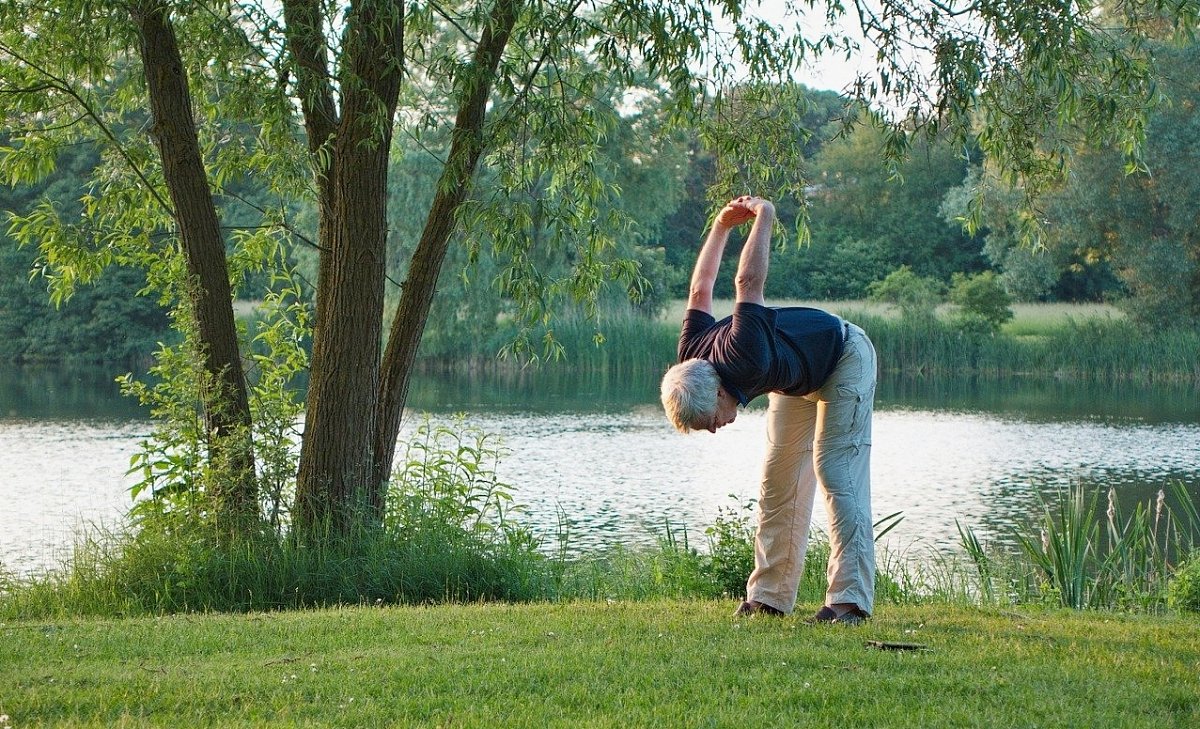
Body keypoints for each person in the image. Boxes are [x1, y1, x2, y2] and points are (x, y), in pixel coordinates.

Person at [660, 195, 878, 625]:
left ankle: (850, 602)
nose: (716, 430)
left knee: (835, 470)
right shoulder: (691, 355)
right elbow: (699, 289)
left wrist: (765, 216)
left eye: (710, 423)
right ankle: (769, 597)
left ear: (719, 393)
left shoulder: (744, 355)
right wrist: (720, 226)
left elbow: (747, 283)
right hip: (795, 377)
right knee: (778, 482)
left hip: (845, 356)